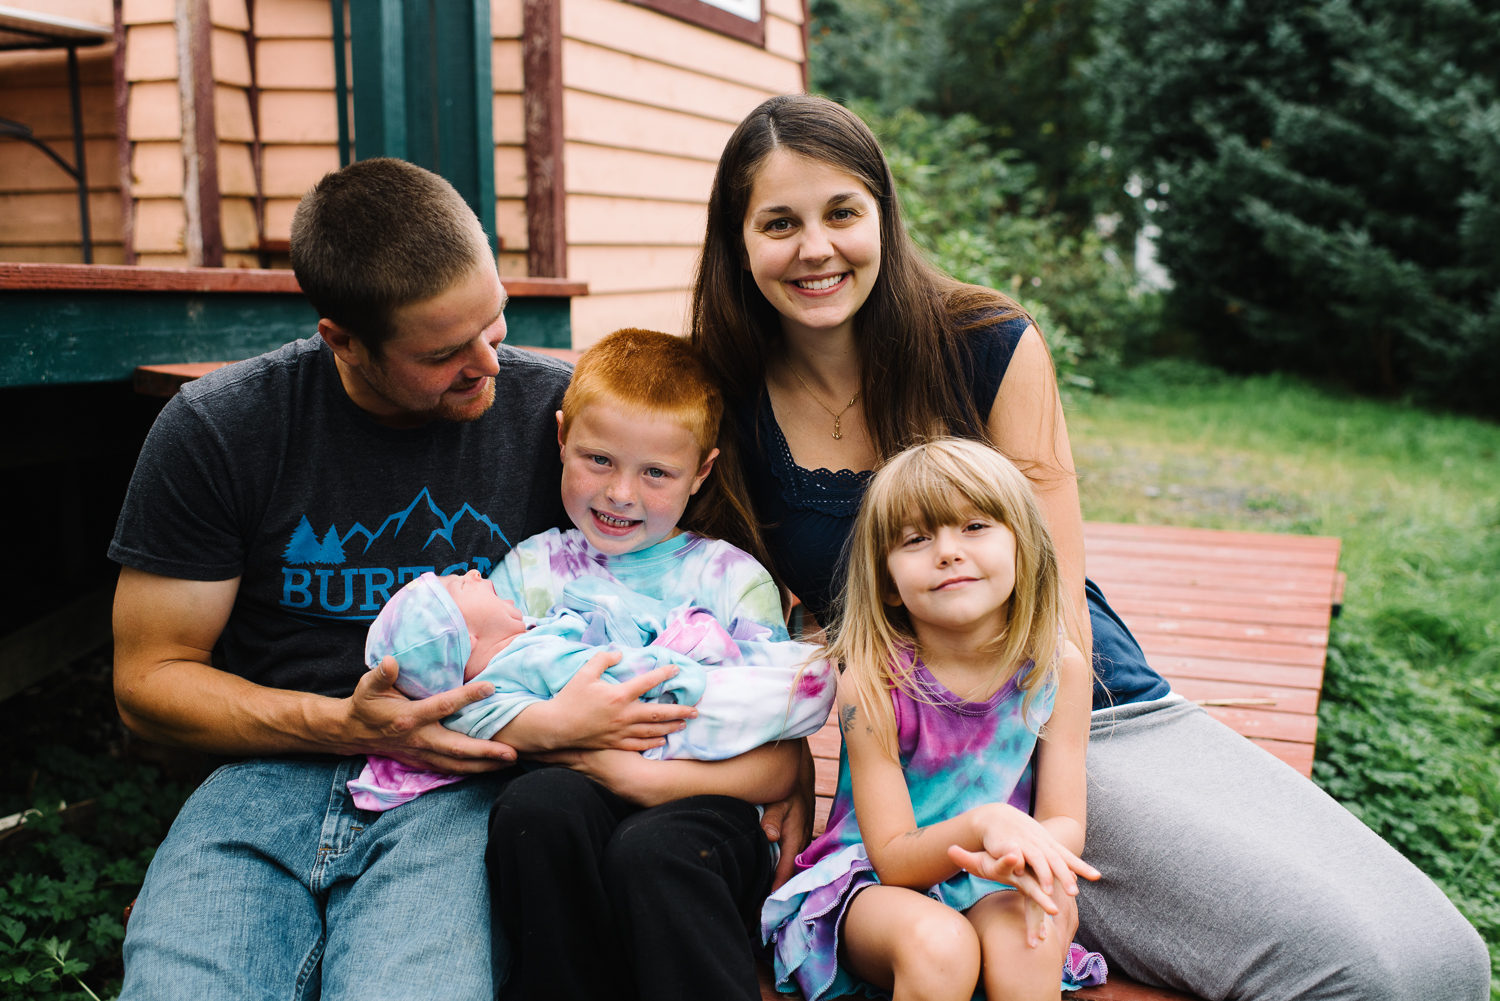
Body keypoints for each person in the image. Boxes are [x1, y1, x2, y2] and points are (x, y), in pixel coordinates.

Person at [691, 95, 1491, 1000]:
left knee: (1439, 959)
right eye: (779, 223)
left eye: (842, 211)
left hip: (1088, 709)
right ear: (739, 240)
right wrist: (787, 756)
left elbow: (1056, 587)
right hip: (918, 751)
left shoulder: (985, 343)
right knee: (1366, 977)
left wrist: (1043, 743)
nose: (816, 248)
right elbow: (725, 610)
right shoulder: (730, 405)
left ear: (883, 213)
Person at [107, 160, 704, 1000]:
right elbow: (148, 679)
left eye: (494, 326)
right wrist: (347, 725)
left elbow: (696, 596)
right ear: (342, 339)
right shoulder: (222, 428)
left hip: (463, 785)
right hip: (263, 776)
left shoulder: (563, 426)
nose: (488, 367)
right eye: (442, 355)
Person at [481, 327, 815, 1001]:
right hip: (571, 792)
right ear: (561, 437)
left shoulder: (731, 579)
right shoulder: (530, 571)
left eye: (656, 472)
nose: (622, 494)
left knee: (656, 850)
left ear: (702, 471)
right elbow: (484, 700)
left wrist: (627, 773)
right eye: (599, 459)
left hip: (701, 807)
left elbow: (779, 759)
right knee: (535, 808)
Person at [763, 440, 1108, 1001]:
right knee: (940, 946)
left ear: (1024, 546)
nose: (948, 552)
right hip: (871, 889)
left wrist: (1029, 855)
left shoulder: (1056, 668)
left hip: (994, 877)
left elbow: (1064, 819)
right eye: (917, 539)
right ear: (890, 584)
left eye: (975, 527)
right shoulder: (874, 683)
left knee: (1032, 935)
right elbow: (895, 856)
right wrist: (984, 825)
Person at [347, 565, 831, 811]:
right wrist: (673, 664)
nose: (474, 573)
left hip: (655, 701)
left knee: (765, 681)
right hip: (663, 717)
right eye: (459, 586)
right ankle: (800, 692)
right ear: (464, 638)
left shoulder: (527, 639)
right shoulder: (500, 678)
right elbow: (593, 679)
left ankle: (793, 684)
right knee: (755, 700)